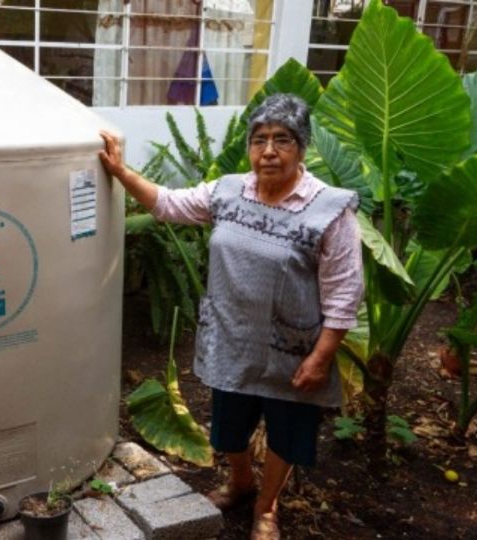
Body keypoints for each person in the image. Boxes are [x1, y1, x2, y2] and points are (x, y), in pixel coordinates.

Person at [98, 94, 363, 540]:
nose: (269, 151)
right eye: (259, 140)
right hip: (233, 337)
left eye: (283, 140)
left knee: (285, 432)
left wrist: (321, 357)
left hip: (291, 348)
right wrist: (121, 171)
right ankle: (240, 483)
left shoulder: (330, 209)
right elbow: (168, 205)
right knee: (228, 429)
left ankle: (266, 507)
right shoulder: (226, 191)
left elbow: (344, 291)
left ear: (301, 147)